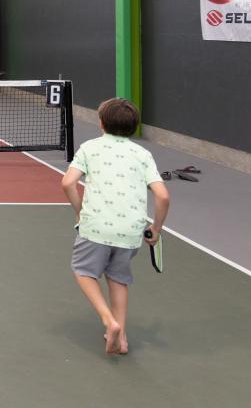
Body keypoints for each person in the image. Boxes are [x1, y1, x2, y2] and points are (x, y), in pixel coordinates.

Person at [61, 97, 170, 355]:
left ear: (101, 123)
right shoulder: (143, 154)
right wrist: (157, 229)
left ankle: (109, 321)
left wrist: (79, 213)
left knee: (83, 271)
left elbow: (67, 183)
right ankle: (122, 338)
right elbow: (163, 196)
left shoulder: (89, 148)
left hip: (95, 226)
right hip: (130, 231)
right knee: (118, 278)